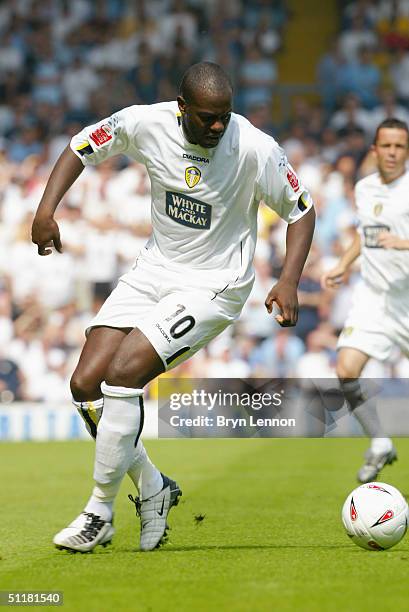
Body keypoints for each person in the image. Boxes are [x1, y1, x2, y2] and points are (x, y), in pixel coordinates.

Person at [32, 62, 315, 553]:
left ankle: (99, 511)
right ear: (182, 109)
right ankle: (154, 487)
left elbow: (302, 209)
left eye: (224, 116)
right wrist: (45, 210)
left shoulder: (254, 147)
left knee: (123, 375)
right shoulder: (145, 123)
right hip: (154, 270)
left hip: (215, 285)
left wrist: (288, 279)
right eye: (207, 117)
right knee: (84, 384)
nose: (218, 126)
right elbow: (82, 146)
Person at [322, 118, 409, 483]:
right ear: (374, 149)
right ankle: (379, 442)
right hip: (373, 297)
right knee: (346, 371)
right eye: (385, 146)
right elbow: (364, 232)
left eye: (399, 147)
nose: (391, 153)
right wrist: (343, 263)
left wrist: (404, 243)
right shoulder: (365, 188)